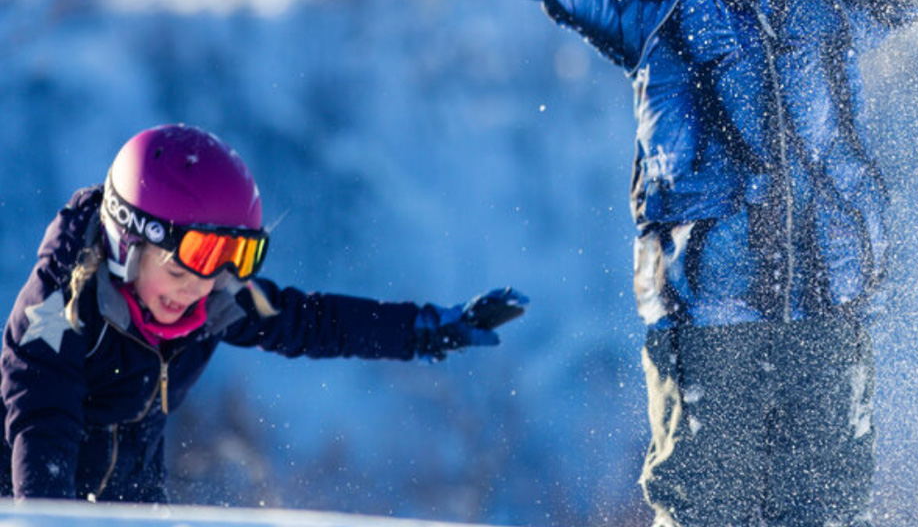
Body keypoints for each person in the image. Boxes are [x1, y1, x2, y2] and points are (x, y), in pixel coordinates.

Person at [350, 0, 918, 527]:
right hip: (710, 329)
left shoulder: (835, 3)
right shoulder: (651, 13)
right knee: (704, 511)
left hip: (831, 323)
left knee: (826, 511)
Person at [0, 123, 527, 503]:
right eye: (180, 270)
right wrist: (50, 519)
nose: (194, 290)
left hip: (129, 507)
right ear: (126, 245)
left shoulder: (216, 303)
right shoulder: (58, 309)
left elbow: (314, 322)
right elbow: (43, 424)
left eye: (214, 273)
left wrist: (423, 330)